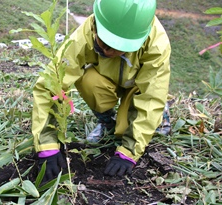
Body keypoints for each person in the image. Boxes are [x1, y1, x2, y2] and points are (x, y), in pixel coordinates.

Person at [32, 0, 171, 182]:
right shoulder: (85, 33)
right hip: (107, 79)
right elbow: (52, 83)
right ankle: (107, 121)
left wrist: (129, 152)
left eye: (119, 48)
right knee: (87, 79)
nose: (109, 51)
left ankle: (160, 117)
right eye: (105, 43)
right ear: (96, 24)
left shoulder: (156, 46)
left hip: (136, 87)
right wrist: (47, 144)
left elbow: (151, 97)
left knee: (125, 130)